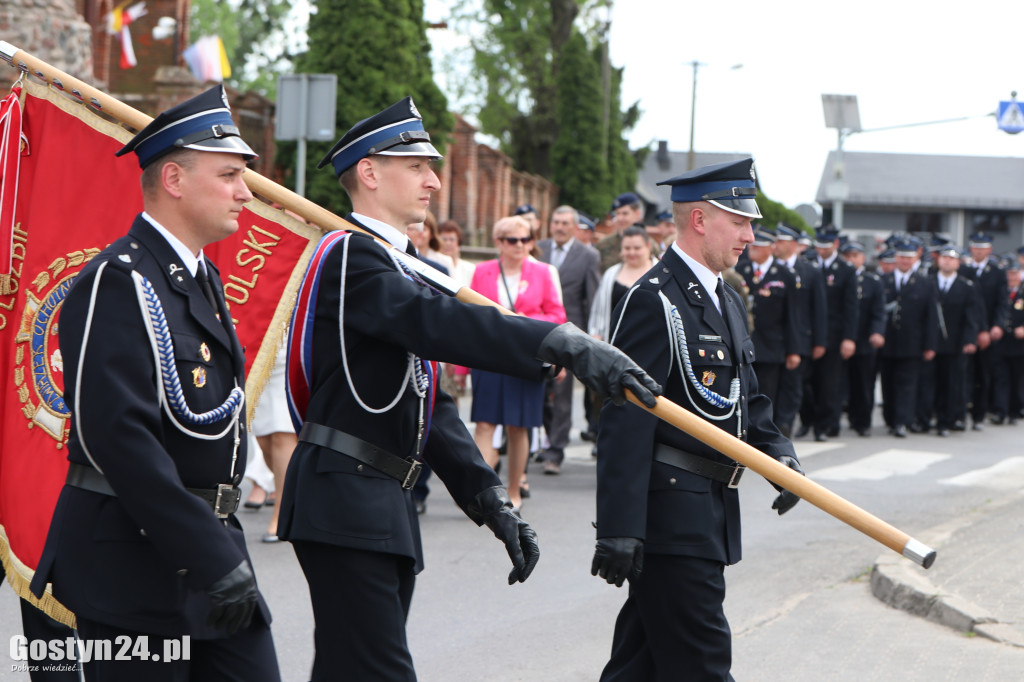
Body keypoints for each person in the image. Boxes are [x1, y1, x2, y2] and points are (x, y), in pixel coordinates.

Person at [279, 97, 660, 681]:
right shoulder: (352, 257)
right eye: (417, 167)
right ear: (370, 173)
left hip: (376, 499)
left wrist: (489, 499)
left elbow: (426, 403)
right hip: (345, 499)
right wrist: (563, 341)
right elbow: (440, 326)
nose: (433, 180)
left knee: (346, 668)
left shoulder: (396, 264)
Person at [30, 85, 279, 680]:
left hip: (206, 552)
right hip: (133, 566)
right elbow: (121, 440)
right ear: (174, 180)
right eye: (228, 175)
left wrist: (217, 553)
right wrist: (213, 556)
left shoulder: (200, 280)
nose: (246, 191)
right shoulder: (117, 281)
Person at [592, 158, 803, 681]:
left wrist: (781, 455)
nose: (750, 236)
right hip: (670, 518)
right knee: (703, 664)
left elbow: (746, 397)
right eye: (740, 222)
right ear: (701, 220)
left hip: (708, 510)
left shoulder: (726, 298)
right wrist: (618, 527)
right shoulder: (654, 300)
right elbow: (624, 418)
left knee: (638, 664)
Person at [470, 215, 567, 498]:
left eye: (526, 239)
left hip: (525, 356)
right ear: (499, 242)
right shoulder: (483, 271)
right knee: (485, 423)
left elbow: (557, 316)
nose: (520, 245)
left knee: (517, 426)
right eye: (513, 240)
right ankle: (484, 493)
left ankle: (514, 491)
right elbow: (469, 315)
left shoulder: (543, 272)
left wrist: (527, 319)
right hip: (488, 356)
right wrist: (461, 366)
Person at [536, 205, 600, 473]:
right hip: (537, 329)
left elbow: (592, 297)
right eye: (556, 222)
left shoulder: (588, 256)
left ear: (574, 227)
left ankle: (556, 451)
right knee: (540, 392)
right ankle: (549, 437)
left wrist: (587, 336)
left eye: (565, 223)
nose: (559, 227)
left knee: (562, 393)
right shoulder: (539, 249)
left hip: (569, 332)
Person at [799, 224, 858, 440]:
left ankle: (823, 426)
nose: (821, 250)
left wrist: (849, 338)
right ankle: (806, 420)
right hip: (809, 333)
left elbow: (851, 308)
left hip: (833, 336)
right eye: (819, 246)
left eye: (826, 246)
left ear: (835, 244)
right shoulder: (807, 265)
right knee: (804, 382)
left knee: (828, 384)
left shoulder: (846, 270)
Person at [879, 238, 939, 438]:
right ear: (895, 257)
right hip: (887, 341)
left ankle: (902, 422)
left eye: (909, 257)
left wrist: (930, 344)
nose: (905, 261)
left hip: (912, 342)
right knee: (887, 383)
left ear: (916, 259)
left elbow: (931, 317)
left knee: (907, 384)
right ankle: (890, 418)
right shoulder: (884, 280)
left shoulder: (925, 283)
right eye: (902, 257)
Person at [735, 226, 800, 408]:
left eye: (759, 245)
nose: (752, 248)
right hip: (743, 344)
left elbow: (792, 315)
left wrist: (793, 349)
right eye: (752, 244)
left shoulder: (785, 274)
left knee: (767, 396)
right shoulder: (739, 270)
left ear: (771, 247)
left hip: (771, 346)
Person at [773, 223, 827, 438]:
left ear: (794, 245)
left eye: (782, 242)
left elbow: (819, 309)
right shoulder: (770, 269)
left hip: (801, 339)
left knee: (793, 385)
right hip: (774, 339)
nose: (777, 245)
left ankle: (785, 423)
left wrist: (819, 341)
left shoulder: (809, 272)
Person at [925, 245, 981, 436]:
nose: (947, 261)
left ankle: (946, 420)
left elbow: (971, 317)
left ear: (958, 263)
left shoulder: (966, 287)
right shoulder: (928, 282)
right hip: (930, 342)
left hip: (955, 344)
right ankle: (924, 418)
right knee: (929, 382)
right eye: (943, 258)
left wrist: (969, 340)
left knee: (952, 384)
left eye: (951, 259)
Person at [961, 231, 1009, 428]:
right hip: (965, 332)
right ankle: (959, 413)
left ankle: (979, 416)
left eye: (982, 249)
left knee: (983, 374)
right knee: (962, 374)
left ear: (989, 250)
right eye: (975, 248)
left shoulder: (997, 273)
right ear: (970, 249)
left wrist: (996, 326)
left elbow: (1002, 303)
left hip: (988, 332)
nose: (978, 252)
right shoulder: (963, 270)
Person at [838, 241, 886, 436]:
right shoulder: (839, 278)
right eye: (847, 256)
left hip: (865, 340)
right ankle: (843, 417)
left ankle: (863, 422)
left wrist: (877, 332)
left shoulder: (872, 281)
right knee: (841, 383)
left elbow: (879, 311)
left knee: (864, 384)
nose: (851, 260)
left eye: (855, 256)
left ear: (862, 258)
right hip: (842, 340)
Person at [597, 192, 645, 271]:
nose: (620, 218)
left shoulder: (648, 246)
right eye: (617, 213)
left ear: (637, 214)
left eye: (625, 214)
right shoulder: (603, 244)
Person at [437, 218, 476, 290]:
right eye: (444, 239)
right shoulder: (433, 267)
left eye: (452, 239)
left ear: (459, 243)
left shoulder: (470, 269)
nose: (448, 243)